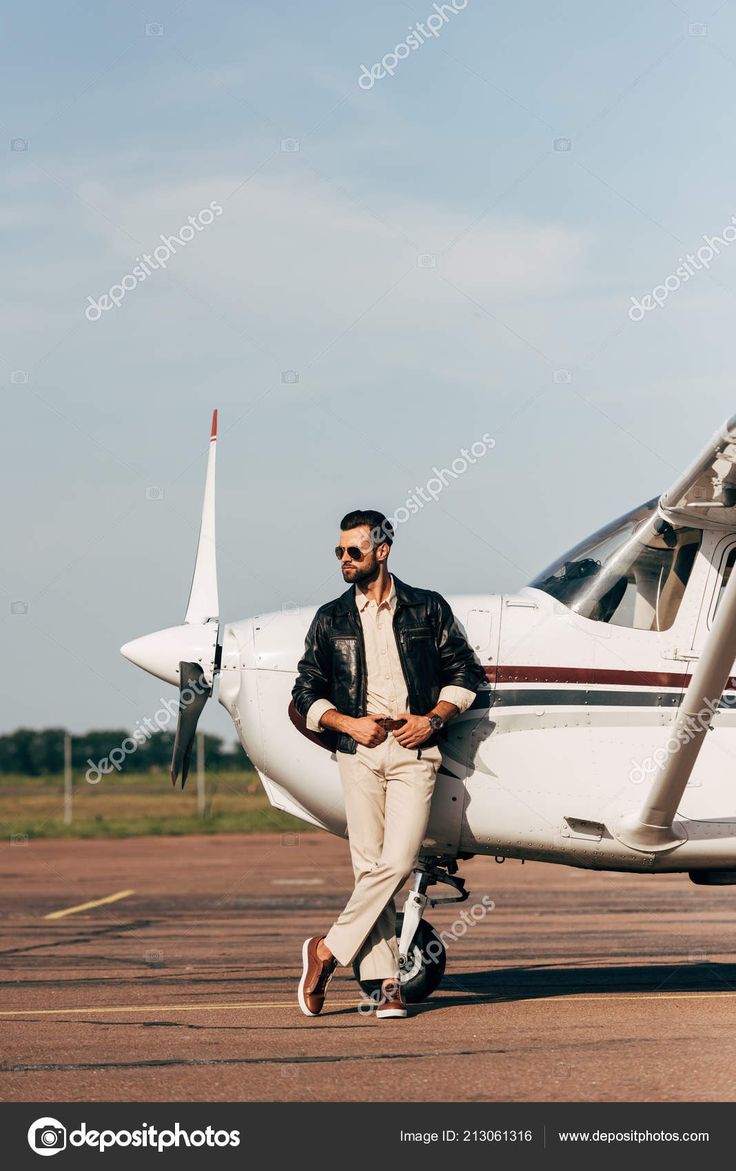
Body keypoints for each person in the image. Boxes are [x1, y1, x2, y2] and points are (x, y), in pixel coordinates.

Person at [291, 508, 486, 1019]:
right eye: (338, 552)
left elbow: (466, 672)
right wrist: (346, 723)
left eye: (353, 551)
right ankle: (383, 985)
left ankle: (326, 950)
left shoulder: (427, 608)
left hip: (415, 752)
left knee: (397, 863)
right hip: (358, 754)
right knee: (368, 869)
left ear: (382, 550)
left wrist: (434, 719)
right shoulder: (330, 618)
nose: (343, 560)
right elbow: (305, 690)